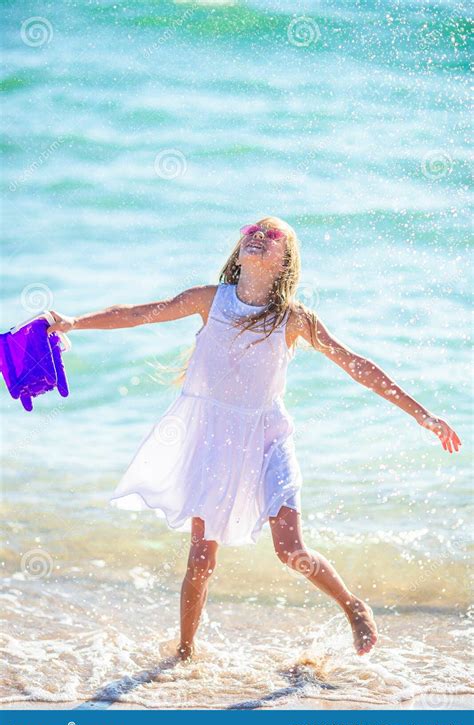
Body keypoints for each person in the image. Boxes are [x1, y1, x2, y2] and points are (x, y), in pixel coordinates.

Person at [47, 216, 461, 661]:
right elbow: (137, 314)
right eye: (252, 232)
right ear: (239, 250)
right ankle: (185, 653)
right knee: (201, 559)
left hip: (267, 438)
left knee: (290, 550)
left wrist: (423, 415)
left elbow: (355, 365)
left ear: (286, 261)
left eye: (274, 234)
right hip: (213, 441)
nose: (260, 237)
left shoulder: (293, 319)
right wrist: (72, 323)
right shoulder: (210, 300)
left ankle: (352, 605)